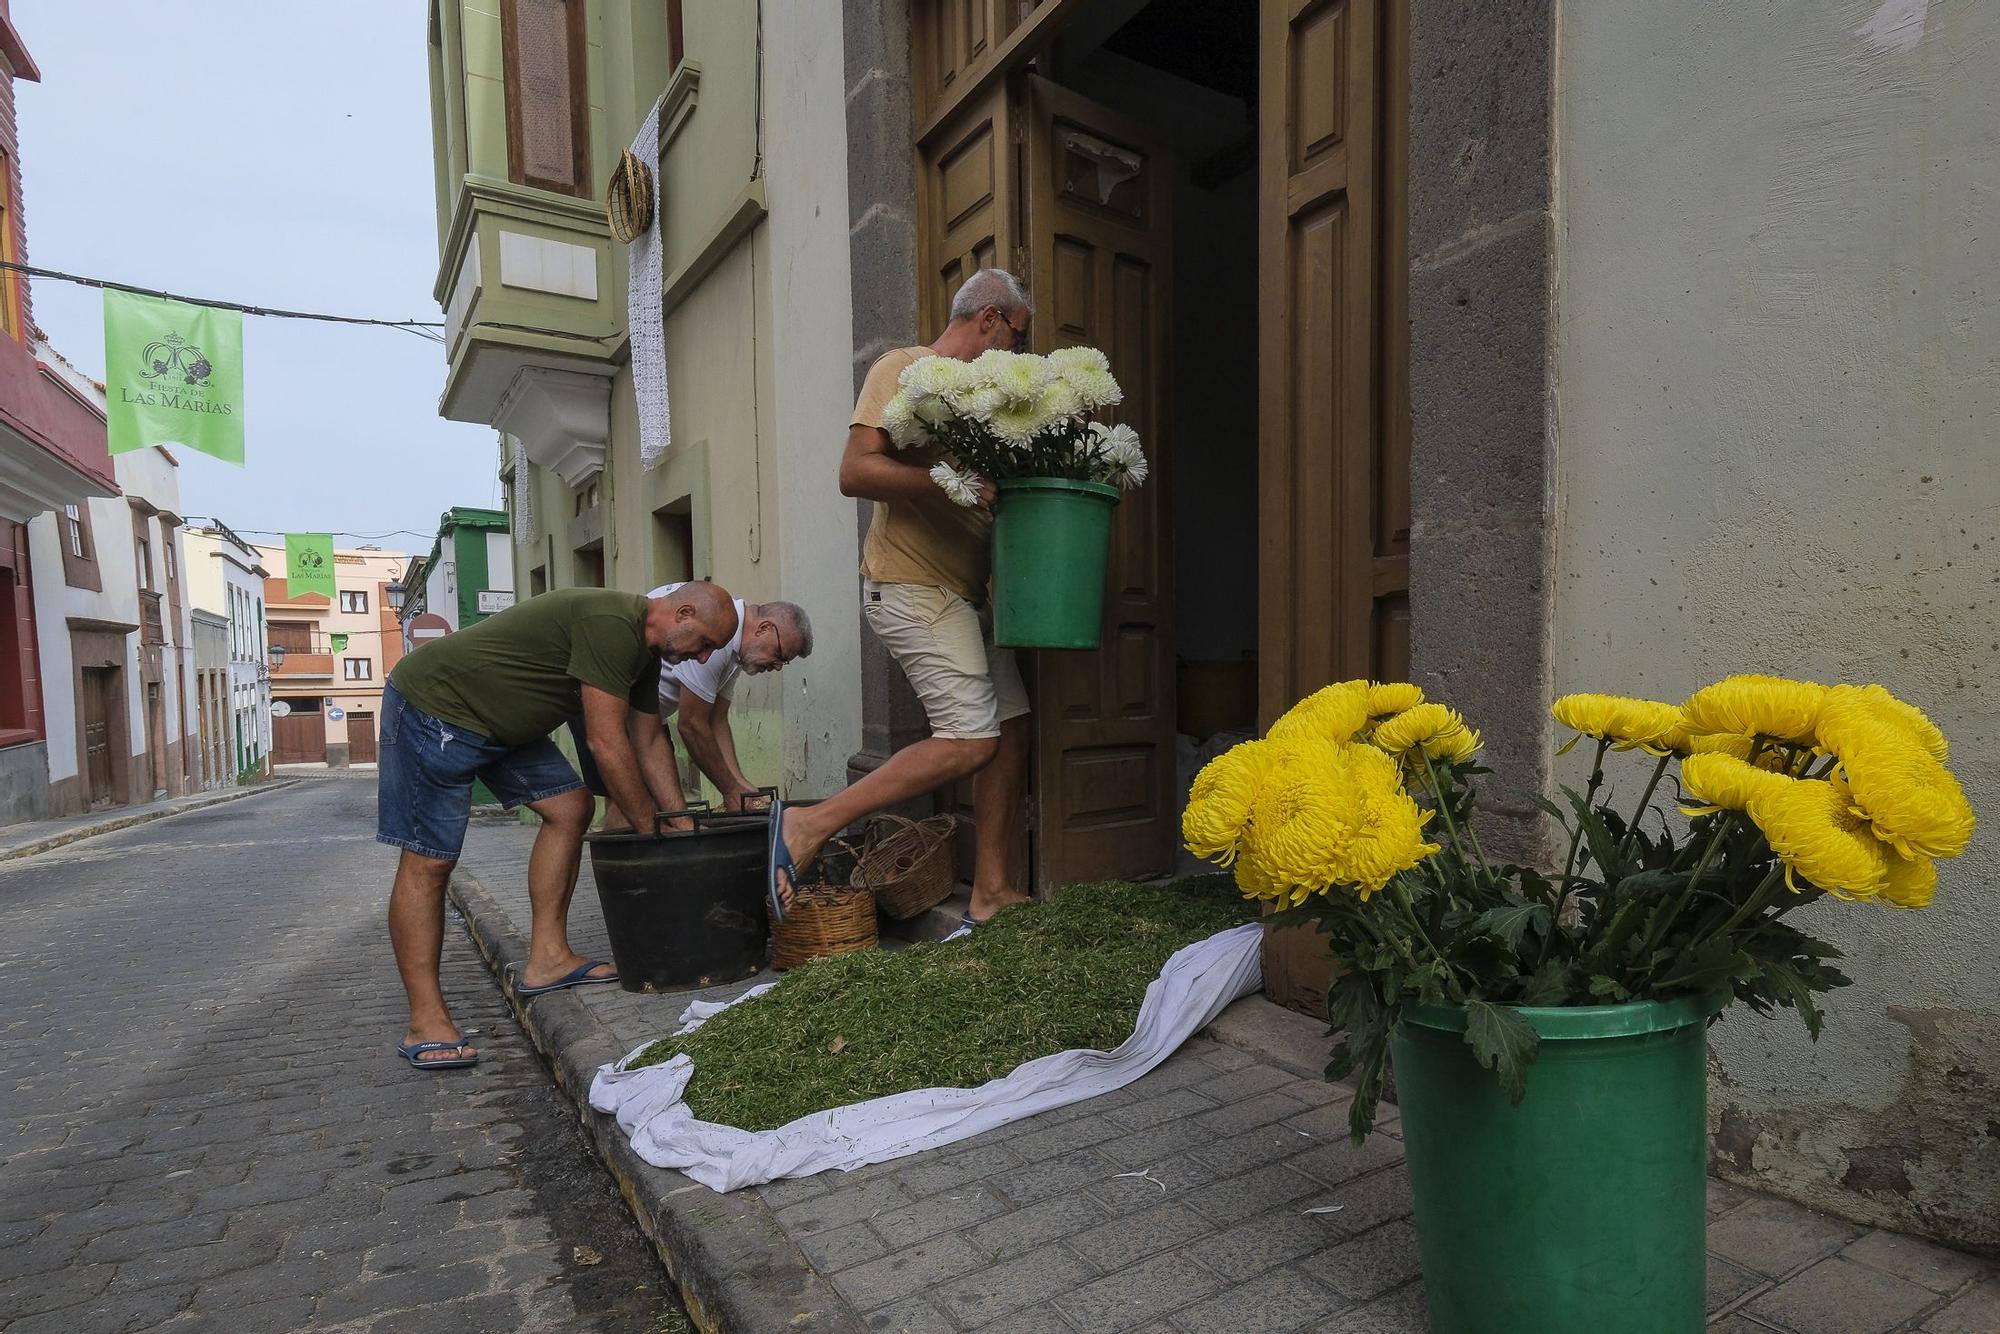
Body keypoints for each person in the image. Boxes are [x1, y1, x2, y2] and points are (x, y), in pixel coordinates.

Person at [769, 268, 1034, 926]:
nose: (1021, 354)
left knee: (1013, 728)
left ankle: (992, 890)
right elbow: (854, 471)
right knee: (972, 741)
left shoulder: (983, 402)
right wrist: (950, 482)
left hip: (968, 594)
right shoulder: (905, 368)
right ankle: (809, 823)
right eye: (1019, 336)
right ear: (991, 319)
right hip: (911, 585)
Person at [379, 583, 738, 1068]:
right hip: (435, 707)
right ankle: (425, 1019)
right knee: (431, 859)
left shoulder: (644, 653)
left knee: (570, 808)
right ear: (684, 613)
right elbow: (607, 743)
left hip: (500, 723)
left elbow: (649, 738)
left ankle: (549, 959)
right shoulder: (612, 623)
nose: (707, 656)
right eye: (708, 642)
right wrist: (650, 829)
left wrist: (674, 824)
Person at [574, 588, 815, 828]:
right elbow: (692, 725)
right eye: (780, 655)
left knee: (656, 805)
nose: (778, 667)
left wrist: (740, 786)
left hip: (644, 717)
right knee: (631, 801)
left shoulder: (735, 646)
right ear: (764, 628)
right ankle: (626, 863)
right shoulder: (719, 632)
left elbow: (716, 720)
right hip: (611, 705)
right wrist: (731, 789)